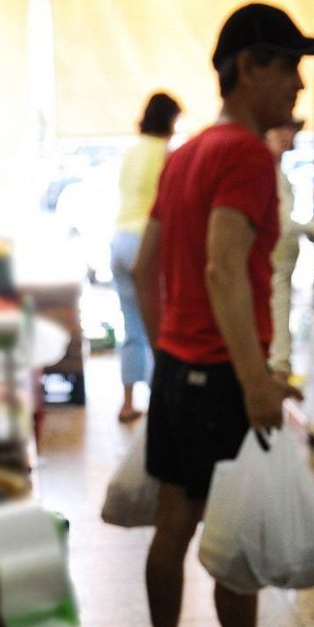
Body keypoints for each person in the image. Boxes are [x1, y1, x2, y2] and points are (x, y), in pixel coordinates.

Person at [133, 2, 314, 627]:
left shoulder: (185, 153)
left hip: (181, 367)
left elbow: (146, 267)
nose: (299, 88)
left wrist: (167, 348)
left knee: (175, 522)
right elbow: (224, 267)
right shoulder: (246, 155)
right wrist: (253, 378)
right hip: (221, 375)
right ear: (248, 68)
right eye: (289, 68)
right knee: (237, 541)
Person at [113, 92, 182, 423]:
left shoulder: (132, 151)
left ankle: (127, 403)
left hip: (119, 239)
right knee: (161, 325)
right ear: (169, 121)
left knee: (131, 326)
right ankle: (161, 405)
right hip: (148, 242)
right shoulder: (166, 154)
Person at [267, 119, 304, 379]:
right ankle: (279, 370)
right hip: (273, 262)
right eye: (281, 128)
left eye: (290, 130)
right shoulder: (264, 168)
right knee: (278, 312)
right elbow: (283, 221)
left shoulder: (276, 168)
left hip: (280, 263)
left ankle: (280, 368)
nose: (287, 136)